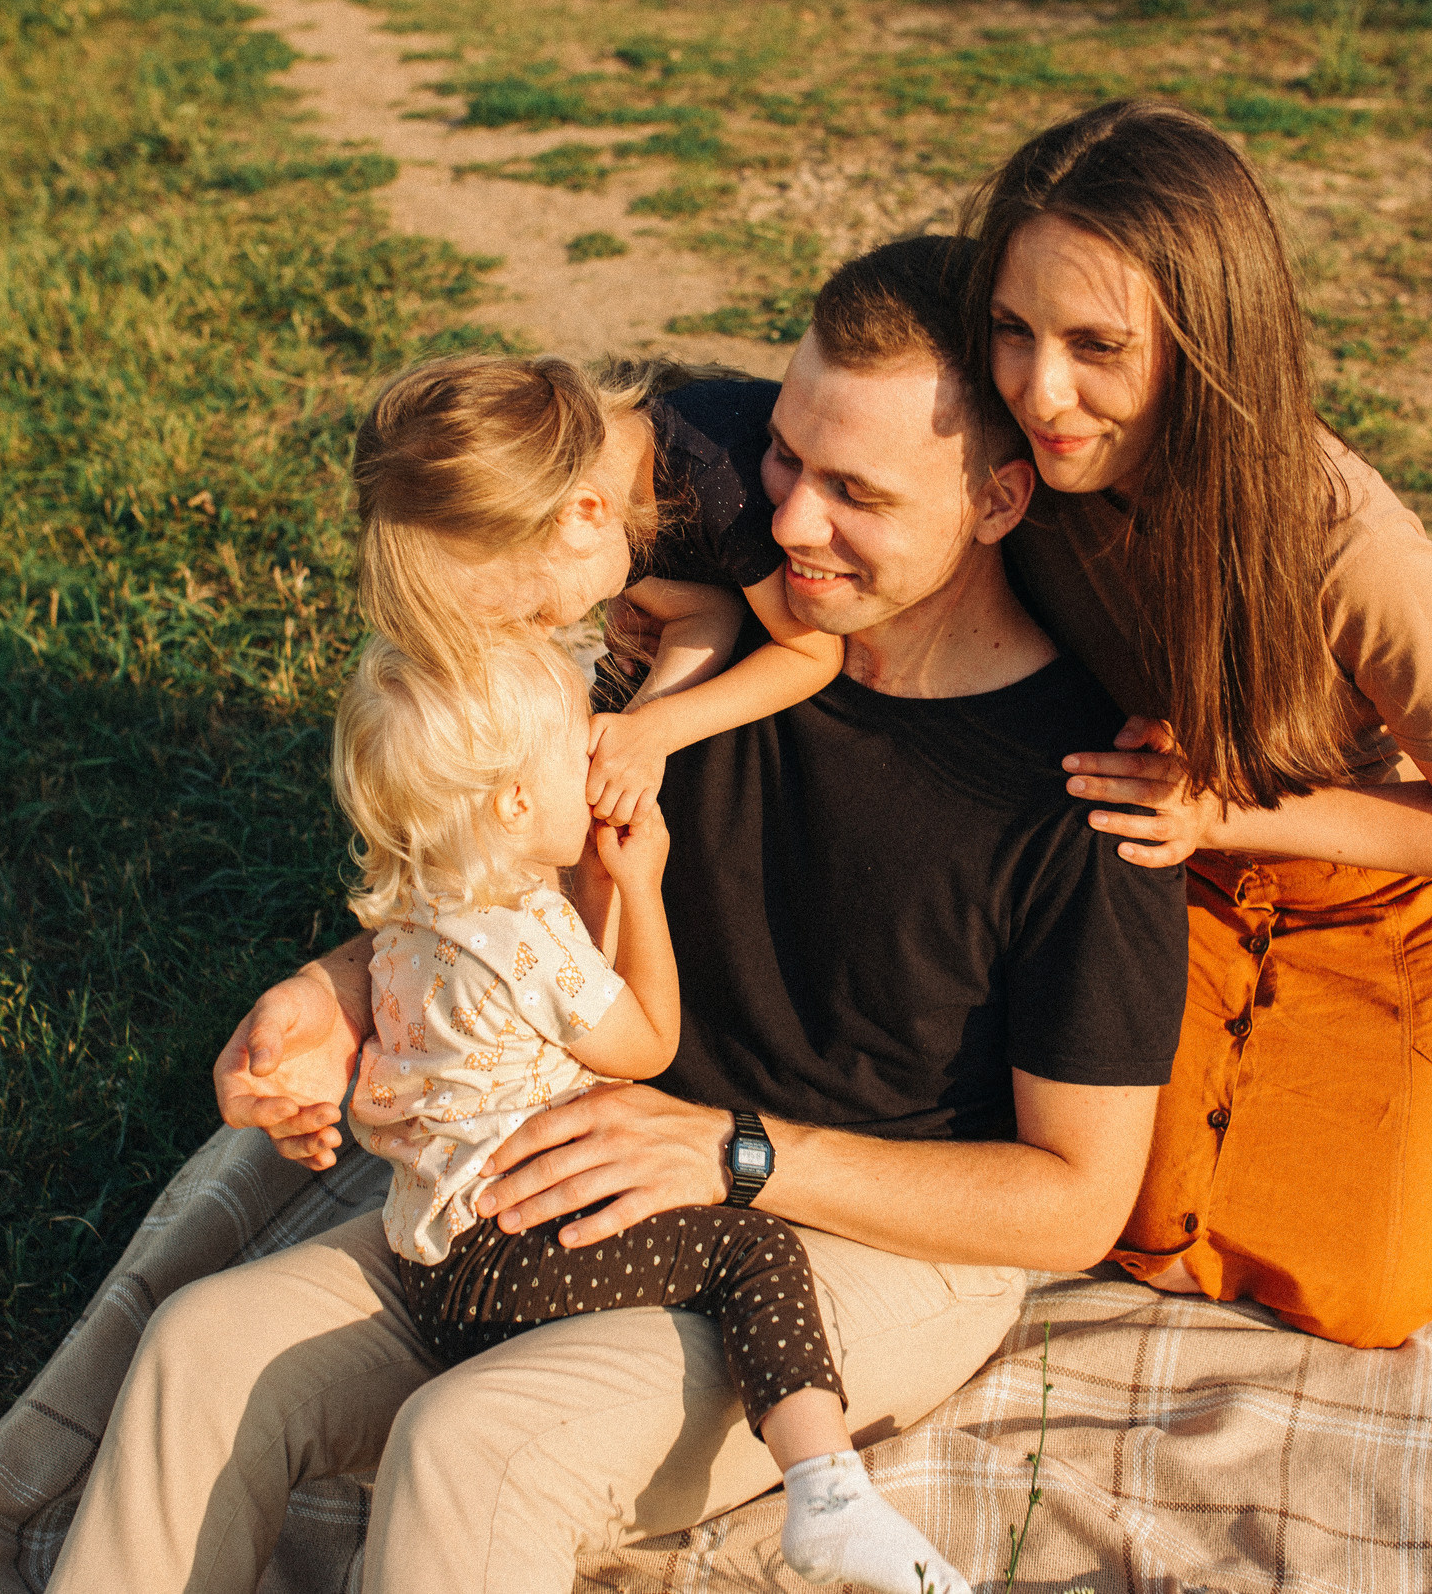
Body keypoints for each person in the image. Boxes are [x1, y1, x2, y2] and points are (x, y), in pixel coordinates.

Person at [44, 236, 1190, 1594]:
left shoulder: (1087, 792)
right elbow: (501, 891)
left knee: (474, 1444)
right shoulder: (674, 668)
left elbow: (1074, 1204)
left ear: (999, 499)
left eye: (858, 493)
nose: (794, 524)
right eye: (786, 459)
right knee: (200, 1347)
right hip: (579, 1159)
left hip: (853, 1238)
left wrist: (736, 1153)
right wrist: (331, 993)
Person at [963, 97, 1432, 1349]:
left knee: (1370, 1283)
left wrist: (1219, 810)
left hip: (1407, 875)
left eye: (1097, 345)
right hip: (1187, 851)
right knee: (1133, 1216)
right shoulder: (1017, 455)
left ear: (1209, 340)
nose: (1040, 388)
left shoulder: (1348, 552)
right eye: (1012, 330)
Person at [321, 628, 967, 1594]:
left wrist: (591, 891)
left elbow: (570, 1015)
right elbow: (648, 1041)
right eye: (574, 748)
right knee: (750, 1249)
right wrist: (640, 886)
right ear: (515, 802)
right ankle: (829, 1492)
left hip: (432, 1268)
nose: (594, 761)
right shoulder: (528, 935)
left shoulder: (414, 915)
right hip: (514, 1255)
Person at [354, 353, 844, 825]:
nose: (543, 635)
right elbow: (707, 611)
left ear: (584, 514)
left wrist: (658, 730)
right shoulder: (605, 492)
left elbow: (812, 654)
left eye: (535, 614)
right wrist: (637, 722)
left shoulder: (718, 486)